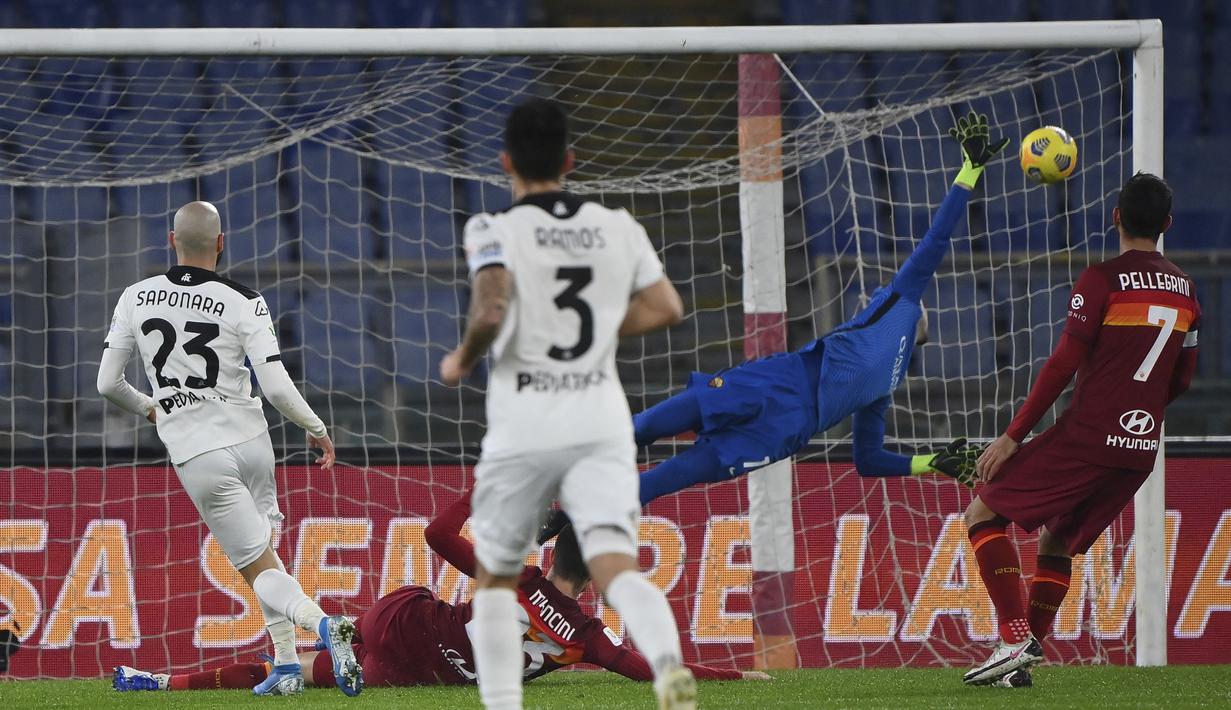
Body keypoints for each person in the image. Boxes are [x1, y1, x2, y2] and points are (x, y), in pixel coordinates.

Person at [439, 98, 695, 710]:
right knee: (615, 567)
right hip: (599, 416)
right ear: (570, 160)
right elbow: (667, 308)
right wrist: (601, 327)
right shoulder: (618, 225)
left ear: (506, 162)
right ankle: (669, 673)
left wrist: (464, 358)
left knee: (499, 580)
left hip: (527, 419)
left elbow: (493, 308)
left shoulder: (492, 227)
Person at [631, 113, 1006, 506]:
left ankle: (567, 516)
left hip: (779, 400)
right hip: (781, 400)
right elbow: (870, 460)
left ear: (920, 328)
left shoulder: (902, 304)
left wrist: (970, 169)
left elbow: (937, 238)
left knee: (658, 455)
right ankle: (565, 498)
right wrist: (932, 462)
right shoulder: (882, 387)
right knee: (656, 446)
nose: (877, 290)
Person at [113, 491, 766, 693]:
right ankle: (166, 685)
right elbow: (654, 673)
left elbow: (435, 531)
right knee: (295, 679)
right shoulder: (587, 640)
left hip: (402, 619)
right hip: (408, 672)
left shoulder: (513, 576)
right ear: (595, 577)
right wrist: (736, 678)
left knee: (302, 659)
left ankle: (164, 681)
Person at [96, 201, 362, 697]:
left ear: (170, 240)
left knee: (256, 567)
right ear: (222, 242)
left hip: (200, 454)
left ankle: (325, 627)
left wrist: (153, 408)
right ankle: (286, 666)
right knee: (267, 553)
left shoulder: (135, 297)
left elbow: (108, 384)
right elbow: (278, 387)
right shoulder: (246, 299)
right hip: (254, 442)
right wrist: (316, 427)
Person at [963, 172, 1200, 688]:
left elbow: (1063, 362)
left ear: (1115, 217)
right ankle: (1018, 667)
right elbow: (1183, 375)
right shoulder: (1186, 291)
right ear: (1166, 225)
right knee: (1057, 543)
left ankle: (1013, 636)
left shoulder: (1100, 279)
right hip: (1139, 448)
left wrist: (1013, 436)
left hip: (1091, 434)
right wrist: (1141, 409)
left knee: (982, 512)